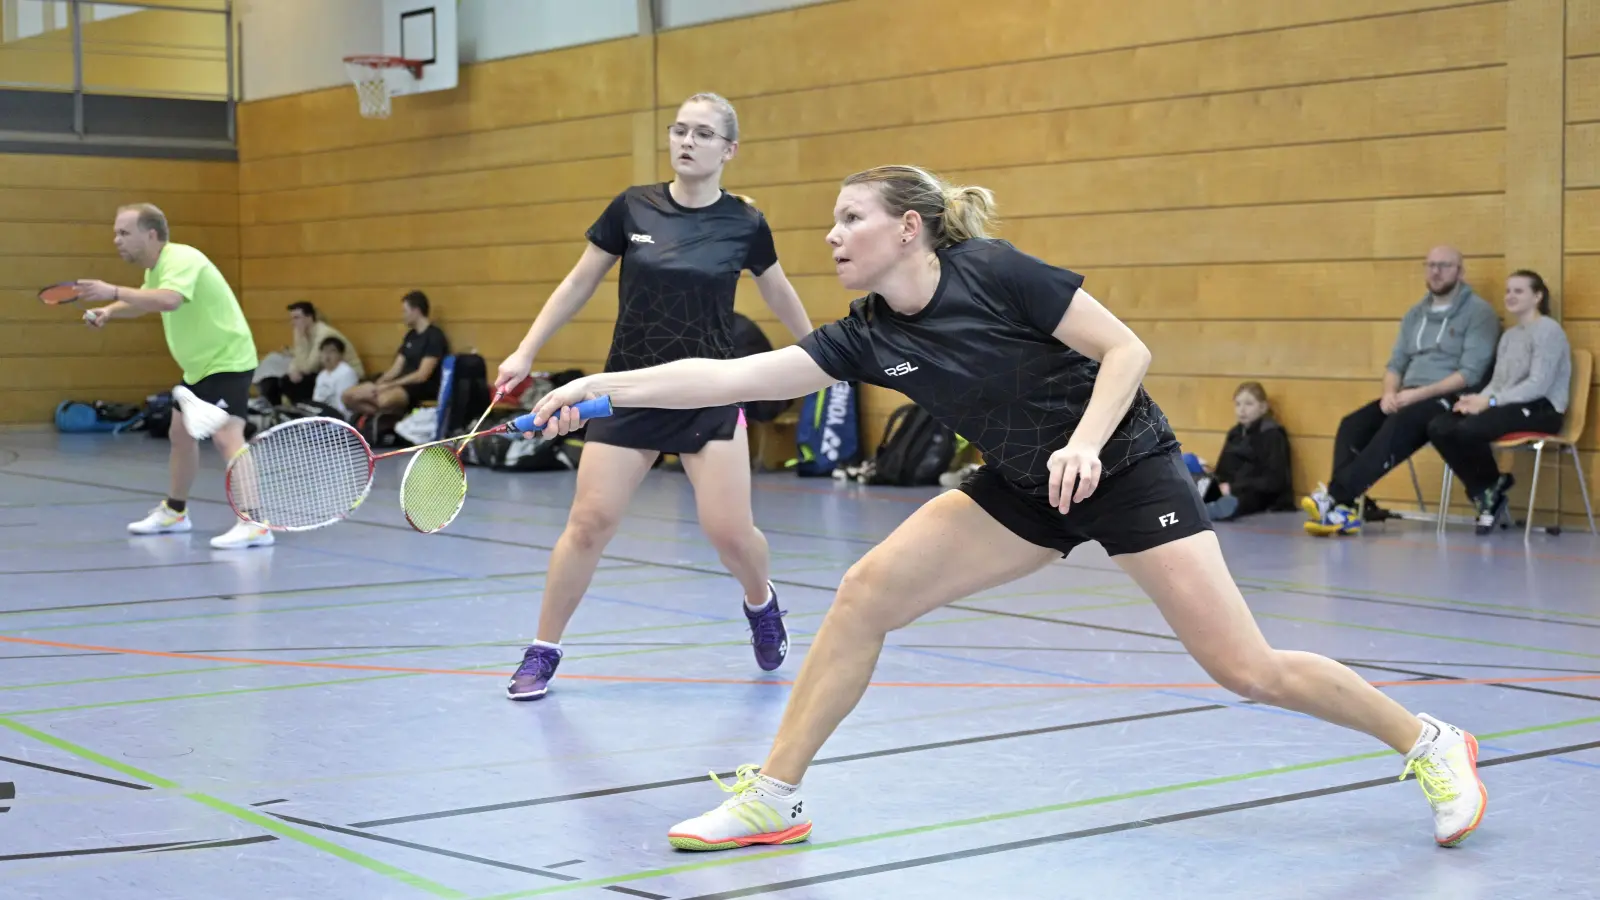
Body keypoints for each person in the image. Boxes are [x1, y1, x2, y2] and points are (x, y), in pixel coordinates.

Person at [526, 165, 1487, 852]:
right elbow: (728, 372)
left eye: (848, 217)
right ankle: (776, 795)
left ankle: (1429, 741)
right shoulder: (864, 336)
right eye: (831, 220)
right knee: (865, 593)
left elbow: (1127, 351)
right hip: (1025, 485)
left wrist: (1085, 443)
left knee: (1244, 667)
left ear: (908, 227)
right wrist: (604, 388)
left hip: (1126, 466)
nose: (830, 234)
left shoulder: (996, 271)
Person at [493, 92, 816, 701]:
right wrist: (526, 349)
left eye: (702, 133)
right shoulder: (632, 207)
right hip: (628, 390)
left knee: (729, 532)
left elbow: (778, 291)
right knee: (588, 523)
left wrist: (820, 350)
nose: (686, 141)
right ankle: (543, 649)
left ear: (729, 149)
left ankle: (761, 601)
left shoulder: (745, 222)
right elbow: (579, 279)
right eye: (678, 130)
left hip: (708, 390)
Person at [80, 202, 273, 549]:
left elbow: (168, 300)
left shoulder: (182, 258)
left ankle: (255, 521)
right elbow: (146, 300)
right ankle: (175, 511)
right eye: (115, 233)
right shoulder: (157, 269)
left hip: (226, 359)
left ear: (151, 234)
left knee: (227, 436)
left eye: (124, 232)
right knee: (181, 434)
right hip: (200, 367)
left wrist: (112, 291)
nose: (116, 240)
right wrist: (109, 311)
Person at [1303, 246, 1500, 536]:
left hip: (1451, 398)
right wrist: (1390, 393)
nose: (1436, 271)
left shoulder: (1479, 313)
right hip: (1408, 394)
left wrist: (1416, 395)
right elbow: (1396, 363)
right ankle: (1346, 506)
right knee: (1353, 425)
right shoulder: (1415, 314)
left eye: (1444, 265)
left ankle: (1335, 498)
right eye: (1430, 265)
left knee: (1400, 424)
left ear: (1460, 271)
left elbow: (1469, 374)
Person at [1427, 270, 1571, 533]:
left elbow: (1538, 385)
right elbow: (1498, 381)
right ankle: (1488, 489)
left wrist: (1491, 402)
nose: (1510, 296)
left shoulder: (1549, 331)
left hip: (1542, 409)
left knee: (1472, 429)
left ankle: (1488, 492)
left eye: (1519, 291)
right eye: (1508, 291)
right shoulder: (1510, 336)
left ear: (1537, 296)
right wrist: (1477, 399)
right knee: (1440, 426)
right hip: (1507, 404)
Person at [1193, 381, 1294, 521]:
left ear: (1263, 407)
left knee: (1238, 499)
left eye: (1249, 404)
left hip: (1256, 494)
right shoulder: (1234, 434)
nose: (1242, 410)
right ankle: (1196, 503)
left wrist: (1233, 488)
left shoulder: (1272, 435)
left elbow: (1275, 481)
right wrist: (1209, 475)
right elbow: (1223, 472)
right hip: (1228, 489)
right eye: (1238, 404)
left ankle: (1213, 508)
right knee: (1189, 463)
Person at [341, 290, 448, 418]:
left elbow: (422, 375)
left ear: (416, 311)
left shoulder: (434, 336)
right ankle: (378, 419)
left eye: (405, 311)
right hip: (399, 383)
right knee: (347, 396)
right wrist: (378, 385)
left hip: (418, 387)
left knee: (383, 400)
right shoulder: (410, 336)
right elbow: (395, 369)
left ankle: (386, 418)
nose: (403, 316)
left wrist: (390, 385)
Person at [256, 301, 362, 407]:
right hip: (324, 370)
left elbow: (309, 367)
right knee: (281, 379)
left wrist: (301, 339)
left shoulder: (323, 334)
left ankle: (304, 412)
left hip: (345, 373)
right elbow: (298, 358)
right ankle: (276, 409)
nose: (293, 323)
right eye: (292, 318)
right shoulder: (301, 331)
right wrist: (293, 370)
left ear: (309, 317)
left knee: (299, 382)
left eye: (297, 318)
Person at [309, 336, 361, 418]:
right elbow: (316, 401)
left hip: (341, 418)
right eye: (324, 351)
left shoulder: (346, 372)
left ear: (341, 355)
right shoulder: (321, 376)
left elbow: (343, 406)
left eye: (332, 351)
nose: (327, 355)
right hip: (322, 417)